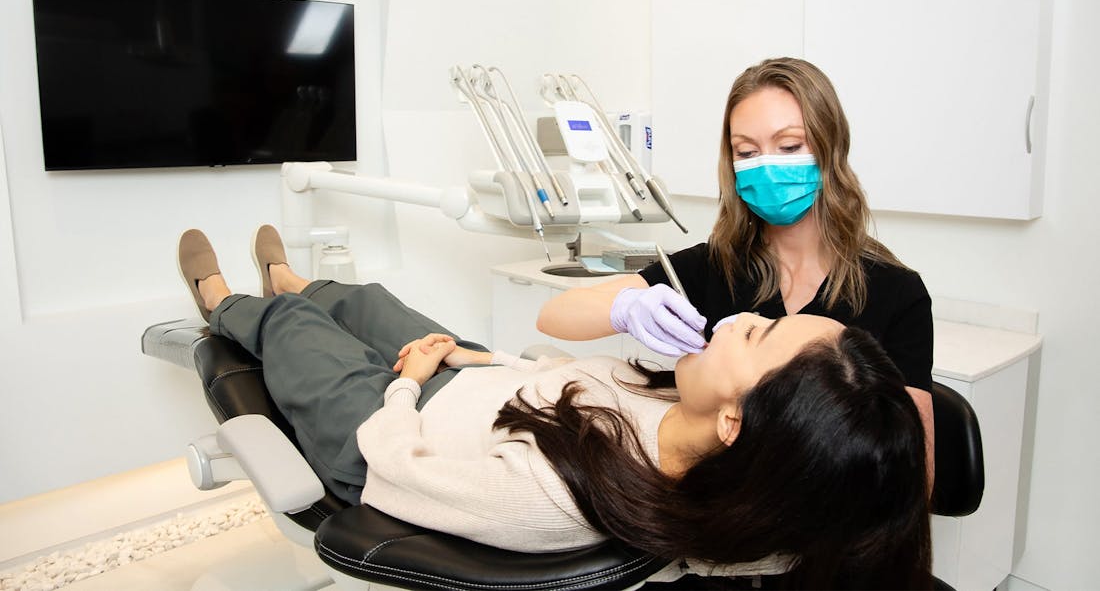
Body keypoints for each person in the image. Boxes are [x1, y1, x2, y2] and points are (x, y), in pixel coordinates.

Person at [178, 224, 931, 588]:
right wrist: (471, 358)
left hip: (382, 435)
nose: (735, 316)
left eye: (756, 332)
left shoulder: (556, 497)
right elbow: (554, 381)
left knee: (295, 327)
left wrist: (405, 382)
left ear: (734, 422)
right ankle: (286, 276)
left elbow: (399, 468)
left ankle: (227, 301)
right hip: (469, 383)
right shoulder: (673, 411)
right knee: (364, 297)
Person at [536, 57, 936, 483]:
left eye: (788, 147)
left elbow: (916, 478)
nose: (765, 165)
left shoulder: (896, 293)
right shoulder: (715, 266)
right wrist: (626, 307)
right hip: (715, 507)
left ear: (830, 146)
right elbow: (554, 316)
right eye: (746, 151)